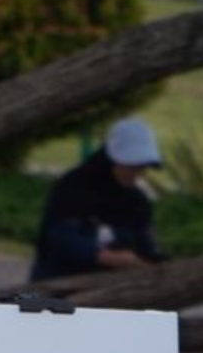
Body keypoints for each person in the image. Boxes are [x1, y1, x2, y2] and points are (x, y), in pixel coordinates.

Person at [30, 117, 167, 281]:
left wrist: (158, 266)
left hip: (110, 290)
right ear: (112, 159)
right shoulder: (72, 188)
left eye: (143, 167)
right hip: (56, 283)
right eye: (132, 166)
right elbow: (60, 240)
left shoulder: (137, 202)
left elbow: (147, 246)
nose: (139, 173)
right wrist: (111, 258)